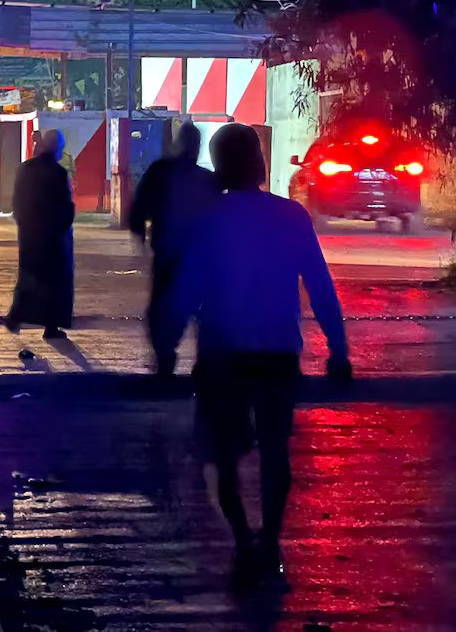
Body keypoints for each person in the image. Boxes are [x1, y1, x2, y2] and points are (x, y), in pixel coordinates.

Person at [162, 123, 351, 587]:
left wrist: (165, 345)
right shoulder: (292, 217)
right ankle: (271, 539)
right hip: (276, 351)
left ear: (219, 164)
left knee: (223, 456)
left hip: (223, 353)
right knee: (274, 452)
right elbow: (321, 287)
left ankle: (244, 540)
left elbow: (186, 290)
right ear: (259, 161)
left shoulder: (208, 219)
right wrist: (338, 349)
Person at [130, 122, 220, 376]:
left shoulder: (161, 172)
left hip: (170, 254)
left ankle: (165, 356)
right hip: (198, 258)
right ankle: (200, 362)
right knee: (201, 311)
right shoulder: (207, 179)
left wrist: (140, 233)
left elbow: (140, 206)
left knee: (163, 310)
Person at [6, 129, 76, 340]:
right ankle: (51, 326)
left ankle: (16, 316)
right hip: (52, 237)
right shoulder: (58, 173)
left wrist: (23, 224)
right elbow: (65, 207)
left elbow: (16, 202)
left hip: (29, 234)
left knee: (28, 277)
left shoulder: (25, 169)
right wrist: (63, 228)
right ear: (57, 149)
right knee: (55, 283)